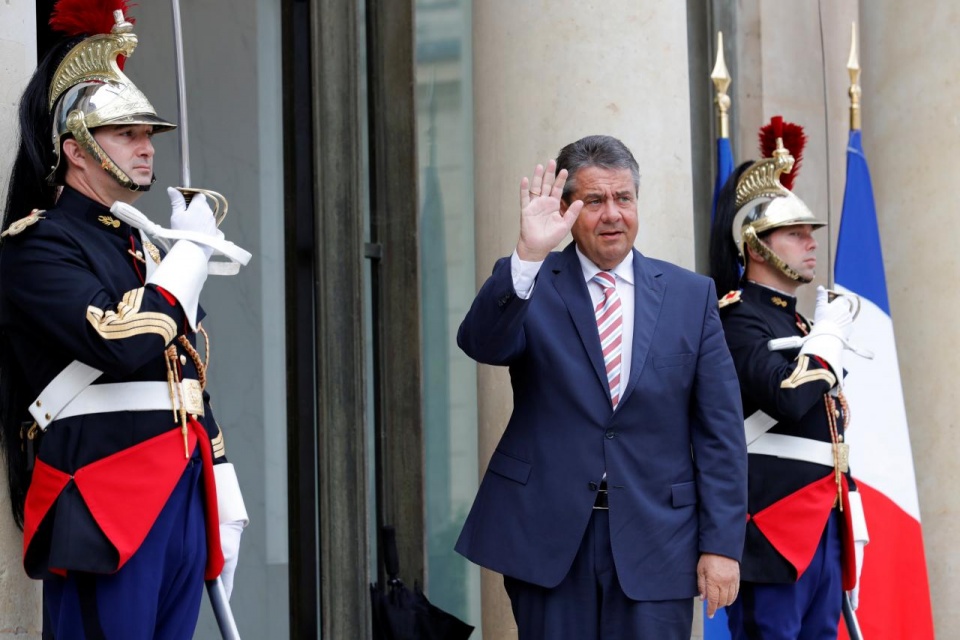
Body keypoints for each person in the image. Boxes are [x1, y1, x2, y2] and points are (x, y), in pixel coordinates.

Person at [0, 4, 249, 637]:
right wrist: (191, 253)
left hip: (181, 489)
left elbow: (187, 374)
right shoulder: (39, 244)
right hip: (103, 495)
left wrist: (221, 484)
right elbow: (119, 341)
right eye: (126, 133)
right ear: (75, 149)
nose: (146, 146)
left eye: (148, 133)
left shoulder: (146, 247)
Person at [455, 134, 748, 639]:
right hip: (548, 536)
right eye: (594, 201)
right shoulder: (530, 282)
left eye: (623, 198)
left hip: (658, 539)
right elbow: (481, 343)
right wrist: (527, 256)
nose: (612, 214)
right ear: (566, 210)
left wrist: (721, 545)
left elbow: (721, 434)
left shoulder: (690, 295)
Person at [709, 117, 869, 639]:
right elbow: (788, 398)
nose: (810, 243)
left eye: (809, 233)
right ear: (756, 246)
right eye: (795, 234)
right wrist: (828, 339)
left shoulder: (798, 323)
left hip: (823, 520)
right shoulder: (736, 317)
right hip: (772, 527)